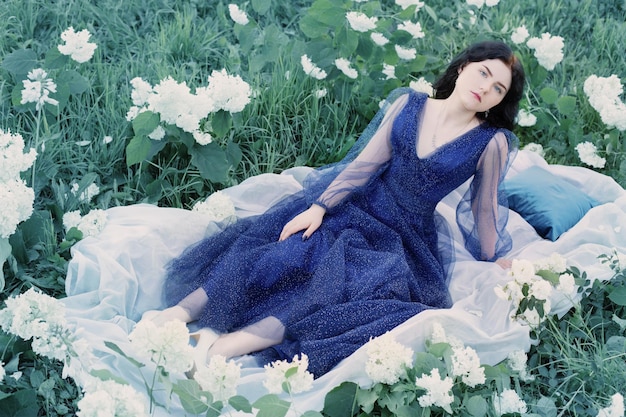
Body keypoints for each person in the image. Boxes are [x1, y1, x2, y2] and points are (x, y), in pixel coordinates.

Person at [140, 40, 526, 377]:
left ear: (499, 101)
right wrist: (321, 207)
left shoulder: (491, 142)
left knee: (336, 291)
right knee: (284, 249)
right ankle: (178, 316)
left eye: (497, 88)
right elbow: (365, 165)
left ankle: (223, 348)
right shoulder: (410, 104)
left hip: (403, 238)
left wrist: (494, 257)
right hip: (360, 204)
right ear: (462, 68)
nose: (485, 89)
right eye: (482, 73)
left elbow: (485, 209)